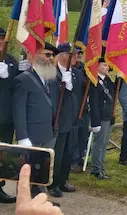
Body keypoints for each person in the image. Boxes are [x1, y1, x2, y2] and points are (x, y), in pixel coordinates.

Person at [14, 43, 61, 197]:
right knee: (30, 171)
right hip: (32, 134)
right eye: (47, 55)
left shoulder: (50, 79)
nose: (51, 59)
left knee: (43, 170)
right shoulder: (23, 79)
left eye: (52, 56)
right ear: (35, 55)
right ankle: (29, 202)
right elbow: (18, 110)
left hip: (48, 132)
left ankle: (40, 198)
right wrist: (22, 137)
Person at [48, 43, 84, 198]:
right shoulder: (52, 73)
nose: (75, 57)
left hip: (72, 119)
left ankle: (63, 180)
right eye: (72, 55)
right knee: (58, 153)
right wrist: (62, 84)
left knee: (69, 153)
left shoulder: (75, 73)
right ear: (62, 55)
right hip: (58, 120)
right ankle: (53, 183)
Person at [0, 27, 20, 203]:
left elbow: (18, 85)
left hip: (7, 118)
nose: (0, 43)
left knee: (3, 154)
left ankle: (0, 188)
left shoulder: (11, 60)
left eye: (2, 39)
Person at [88, 57, 115, 179]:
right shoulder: (94, 80)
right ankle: (96, 169)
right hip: (101, 116)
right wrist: (95, 121)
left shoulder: (108, 79)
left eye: (107, 65)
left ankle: (101, 167)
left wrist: (120, 78)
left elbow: (114, 92)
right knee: (99, 143)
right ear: (97, 66)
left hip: (109, 115)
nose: (107, 67)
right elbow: (93, 103)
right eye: (104, 65)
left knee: (104, 143)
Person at [71, 47, 90, 172]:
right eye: (76, 54)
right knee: (74, 135)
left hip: (85, 107)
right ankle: (73, 160)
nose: (78, 56)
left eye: (80, 54)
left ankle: (80, 157)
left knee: (83, 134)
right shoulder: (70, 69)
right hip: (74, 106)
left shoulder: (85, 68)